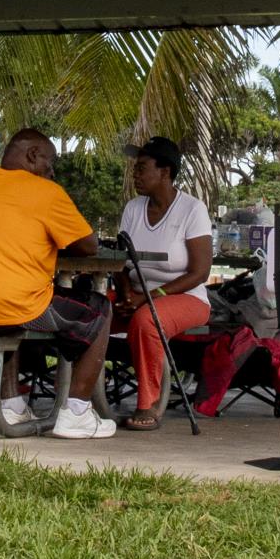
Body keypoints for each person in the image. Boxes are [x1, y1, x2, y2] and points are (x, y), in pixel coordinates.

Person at [0, 127, 114, 440]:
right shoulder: (46, 192)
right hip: (10, 305)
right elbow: (88, 245)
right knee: (99, 309)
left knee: (4, 311)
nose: (51, 171)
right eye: (49, 163)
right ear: (32, 156)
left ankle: (13, 405)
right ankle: (78, 413)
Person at [113, 136, 213, 430]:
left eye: (142, 168)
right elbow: (119, 258)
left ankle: (149, 404)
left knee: (147, 320)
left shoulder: (192, 210)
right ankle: (79, 400)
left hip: (187, 297)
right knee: (92, 312)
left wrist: (149, 297)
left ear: (165, 172)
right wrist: (125, 293)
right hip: (136, 292)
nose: (136, 174)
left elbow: (200, 272)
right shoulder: (133, 208)